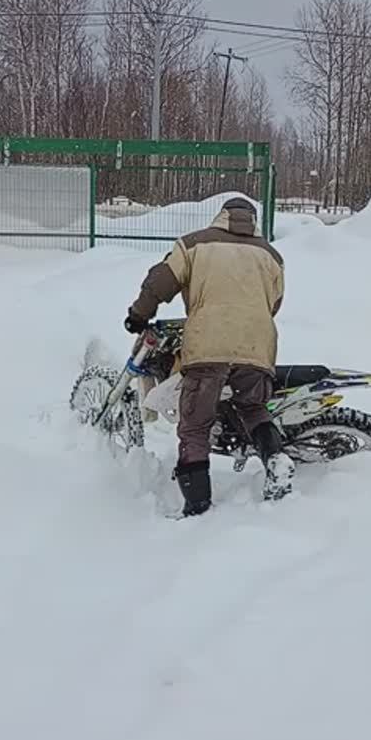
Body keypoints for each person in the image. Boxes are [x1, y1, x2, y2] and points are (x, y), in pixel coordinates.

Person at [124, 197, 294, 516]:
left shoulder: (194, 244)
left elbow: (159, 283)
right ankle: (275, 459)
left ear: (221, 216)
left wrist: (138, 314)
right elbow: (274, 304)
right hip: (257, 346)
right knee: (254, 409)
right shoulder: (272, 255)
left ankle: (197, 506)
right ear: (252, 220)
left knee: (195, 427)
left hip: (208, 346)